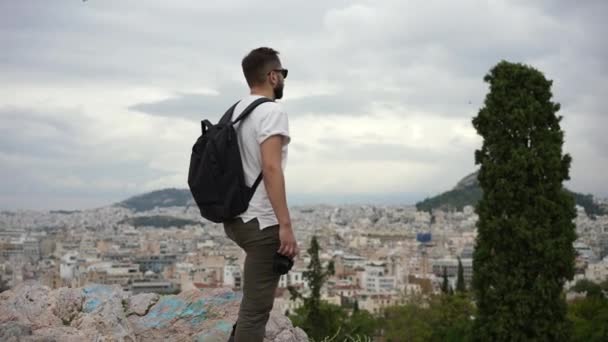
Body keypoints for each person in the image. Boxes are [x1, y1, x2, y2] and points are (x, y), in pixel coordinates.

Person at [224, 47, 298, 342]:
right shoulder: (271, 111)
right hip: (261, 222)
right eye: (283, 74)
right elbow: (271, 167)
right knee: (256, 312)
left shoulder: (236, 112)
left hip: (235, 218)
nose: (283, 79)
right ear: (272, 75)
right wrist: (285, 225)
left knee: (251, 306)